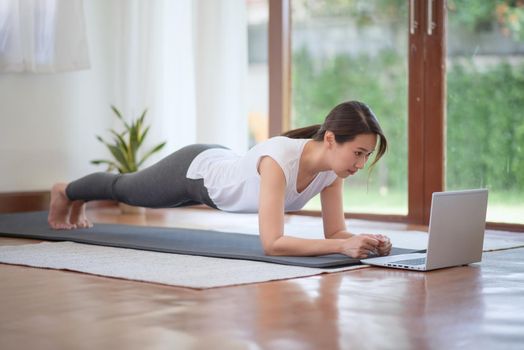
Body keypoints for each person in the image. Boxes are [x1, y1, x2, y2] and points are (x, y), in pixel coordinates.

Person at [48, 100, 392, 259]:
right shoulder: (278, 160)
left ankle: (73, 195)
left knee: (126, 189)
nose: (361, 164)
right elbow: (272, 244)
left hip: (221, 163)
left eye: (366, 155)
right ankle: (66, 191)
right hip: (193, 171)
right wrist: (341, 246)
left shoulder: (333, 171)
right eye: (359, 153)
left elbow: (335, 232)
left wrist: (364, 239)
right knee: (124, 189)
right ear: (331, 139)